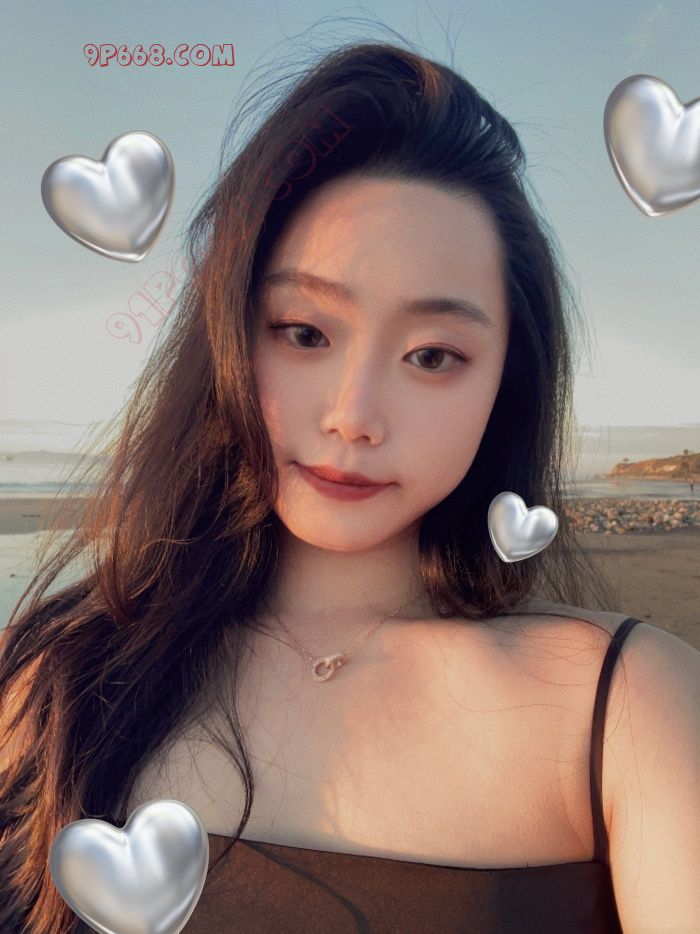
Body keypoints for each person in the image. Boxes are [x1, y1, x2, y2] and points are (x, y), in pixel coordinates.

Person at [1, 39, 699, 934]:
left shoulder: (629, 707)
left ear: (506, 383)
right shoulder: (58, 677)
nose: (353, 415)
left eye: (432, 356)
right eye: (304, 333)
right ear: (228, 336)